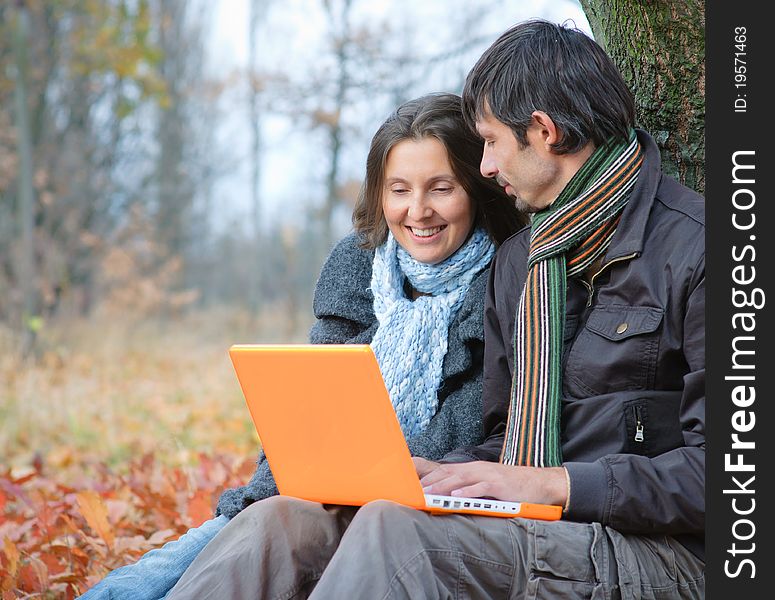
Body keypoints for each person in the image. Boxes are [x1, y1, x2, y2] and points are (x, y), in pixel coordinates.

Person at [164, 19, 705, 600]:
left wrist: (558, 484)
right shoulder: (525, 262)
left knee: (394, 533)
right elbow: (507, 435)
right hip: (540, 524)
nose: (488, 166)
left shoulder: (699, 249)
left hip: (658, 551)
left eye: (492, 143)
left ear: (544, 132)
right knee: (281, 525)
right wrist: (439, 473)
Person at [78, 92, 525, 599]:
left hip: (409, 509)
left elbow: (471, 425)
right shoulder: (357, 268)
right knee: (149, 579)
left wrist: (353, 474)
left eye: (440, 188)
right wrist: (274, 489)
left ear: (475, 188)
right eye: (398, 189)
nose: (417, 211)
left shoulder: (506, 281)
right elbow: (311, 409)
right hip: (313, 488)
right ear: (379, 195)